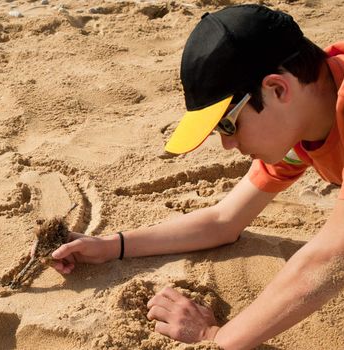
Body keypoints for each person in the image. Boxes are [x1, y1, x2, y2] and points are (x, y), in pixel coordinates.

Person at [50, 4, 344, 349]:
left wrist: (216, 337)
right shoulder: (303, 129)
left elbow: (329, 258)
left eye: (227, 123)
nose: (227, 144)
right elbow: (223, 221)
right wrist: (111, 246)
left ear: (277, 90)